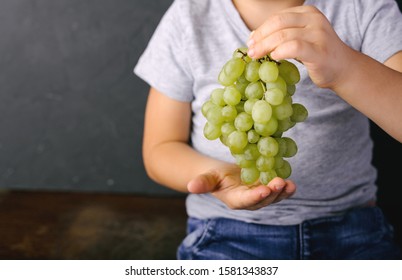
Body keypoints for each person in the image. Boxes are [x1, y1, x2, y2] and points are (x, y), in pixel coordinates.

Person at [134, 0, 402, 259]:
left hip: (353, 230)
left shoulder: (360, 6)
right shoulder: (188, 17)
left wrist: (346, 69)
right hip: (227, 232)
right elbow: (160, 148)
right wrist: (216, 177)